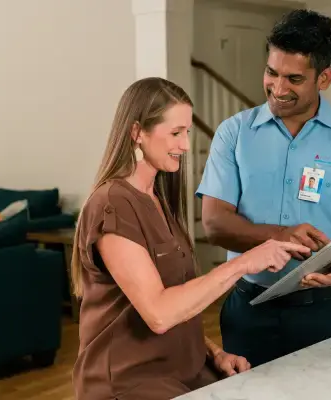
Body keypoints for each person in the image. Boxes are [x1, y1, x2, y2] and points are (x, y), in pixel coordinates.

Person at [70, 77, 310, 400]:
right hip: (129, 383)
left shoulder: (158, 199)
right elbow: (159, 313)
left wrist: (212, 354)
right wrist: (245, 262)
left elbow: (182, 304)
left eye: (187, 132)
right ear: (137, 132)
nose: (185, 145)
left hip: (182, 372)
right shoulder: (112, 204)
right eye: (175, 133)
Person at [196, 9, 331, 368]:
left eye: (294, 78)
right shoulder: (233, 134)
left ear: (324, 78)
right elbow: (214, 224)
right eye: (271, 72)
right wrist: (282, 235)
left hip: (329, 313)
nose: (278, 89)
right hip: (248, 311)